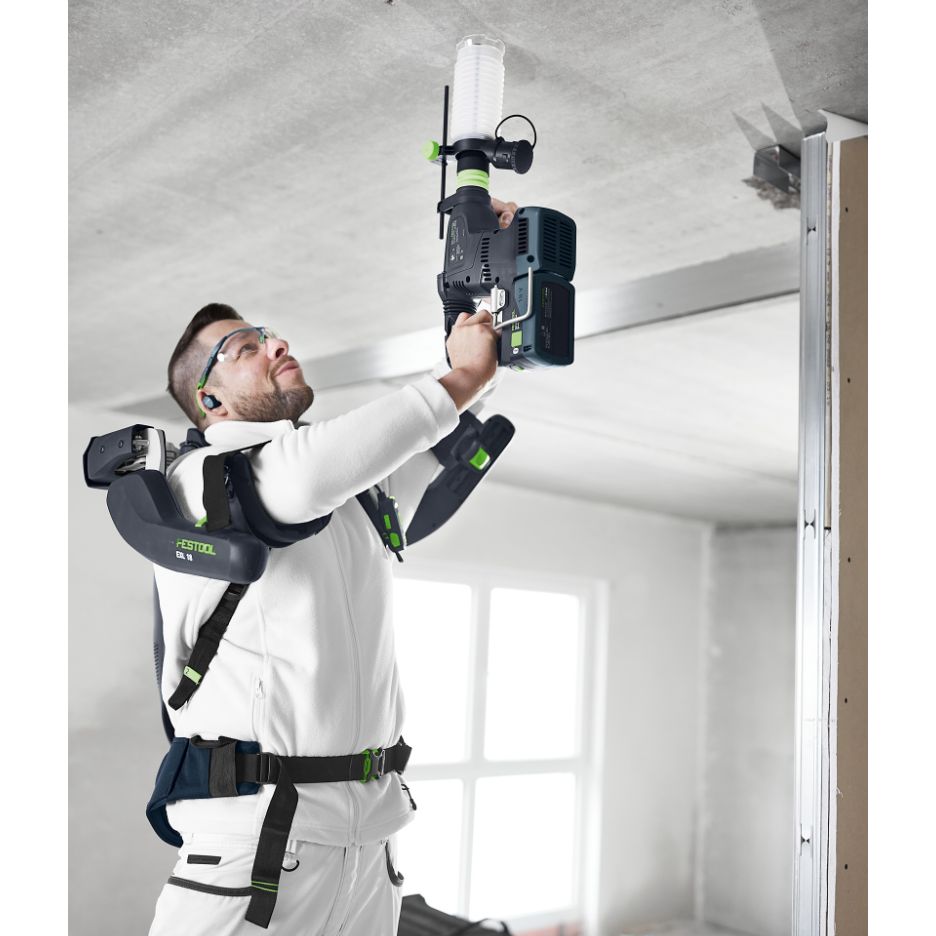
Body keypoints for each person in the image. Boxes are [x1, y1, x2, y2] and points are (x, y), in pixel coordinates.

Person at [147, 198, 518, 935]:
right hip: (250, 850)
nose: (274, 341)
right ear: (208, 397)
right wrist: (460, 380)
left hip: (368, 846)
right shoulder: (201, 482)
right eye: (246, 343)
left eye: (269, 332)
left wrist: (487, 295)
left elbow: (410, 452)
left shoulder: (344, 499)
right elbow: (325, 462)